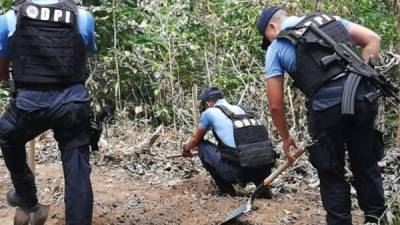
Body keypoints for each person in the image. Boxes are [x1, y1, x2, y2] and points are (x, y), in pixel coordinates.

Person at [258, 6, 386, 225]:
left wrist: (286, 136)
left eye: (267, 38)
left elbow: (276, 105)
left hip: (327, 108)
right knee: (365, 162)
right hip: (362, 98)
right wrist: (362, 75)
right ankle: (377, 218)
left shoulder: (277, 47)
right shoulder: (331, 20)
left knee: (330, 170)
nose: (269, 42)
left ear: (272, 27)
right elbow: (373, 39)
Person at [0, 0, 97, 224]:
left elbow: (2, 73)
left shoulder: (9, 18)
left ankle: (27, 199)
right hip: (72, 103)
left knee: (7, 136)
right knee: (78, 170)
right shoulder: (82, 16)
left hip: (29, 104)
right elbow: (87, 51)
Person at [182, 87, 276, 197]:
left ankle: (226, 190)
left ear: (207, 103)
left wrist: (186, 150)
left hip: (240, 172)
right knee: (249, 150)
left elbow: (195, 139)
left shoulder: (209, 112)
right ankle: (262, 188)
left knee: (202, 145)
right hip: (265, 169)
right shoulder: (243, 109)